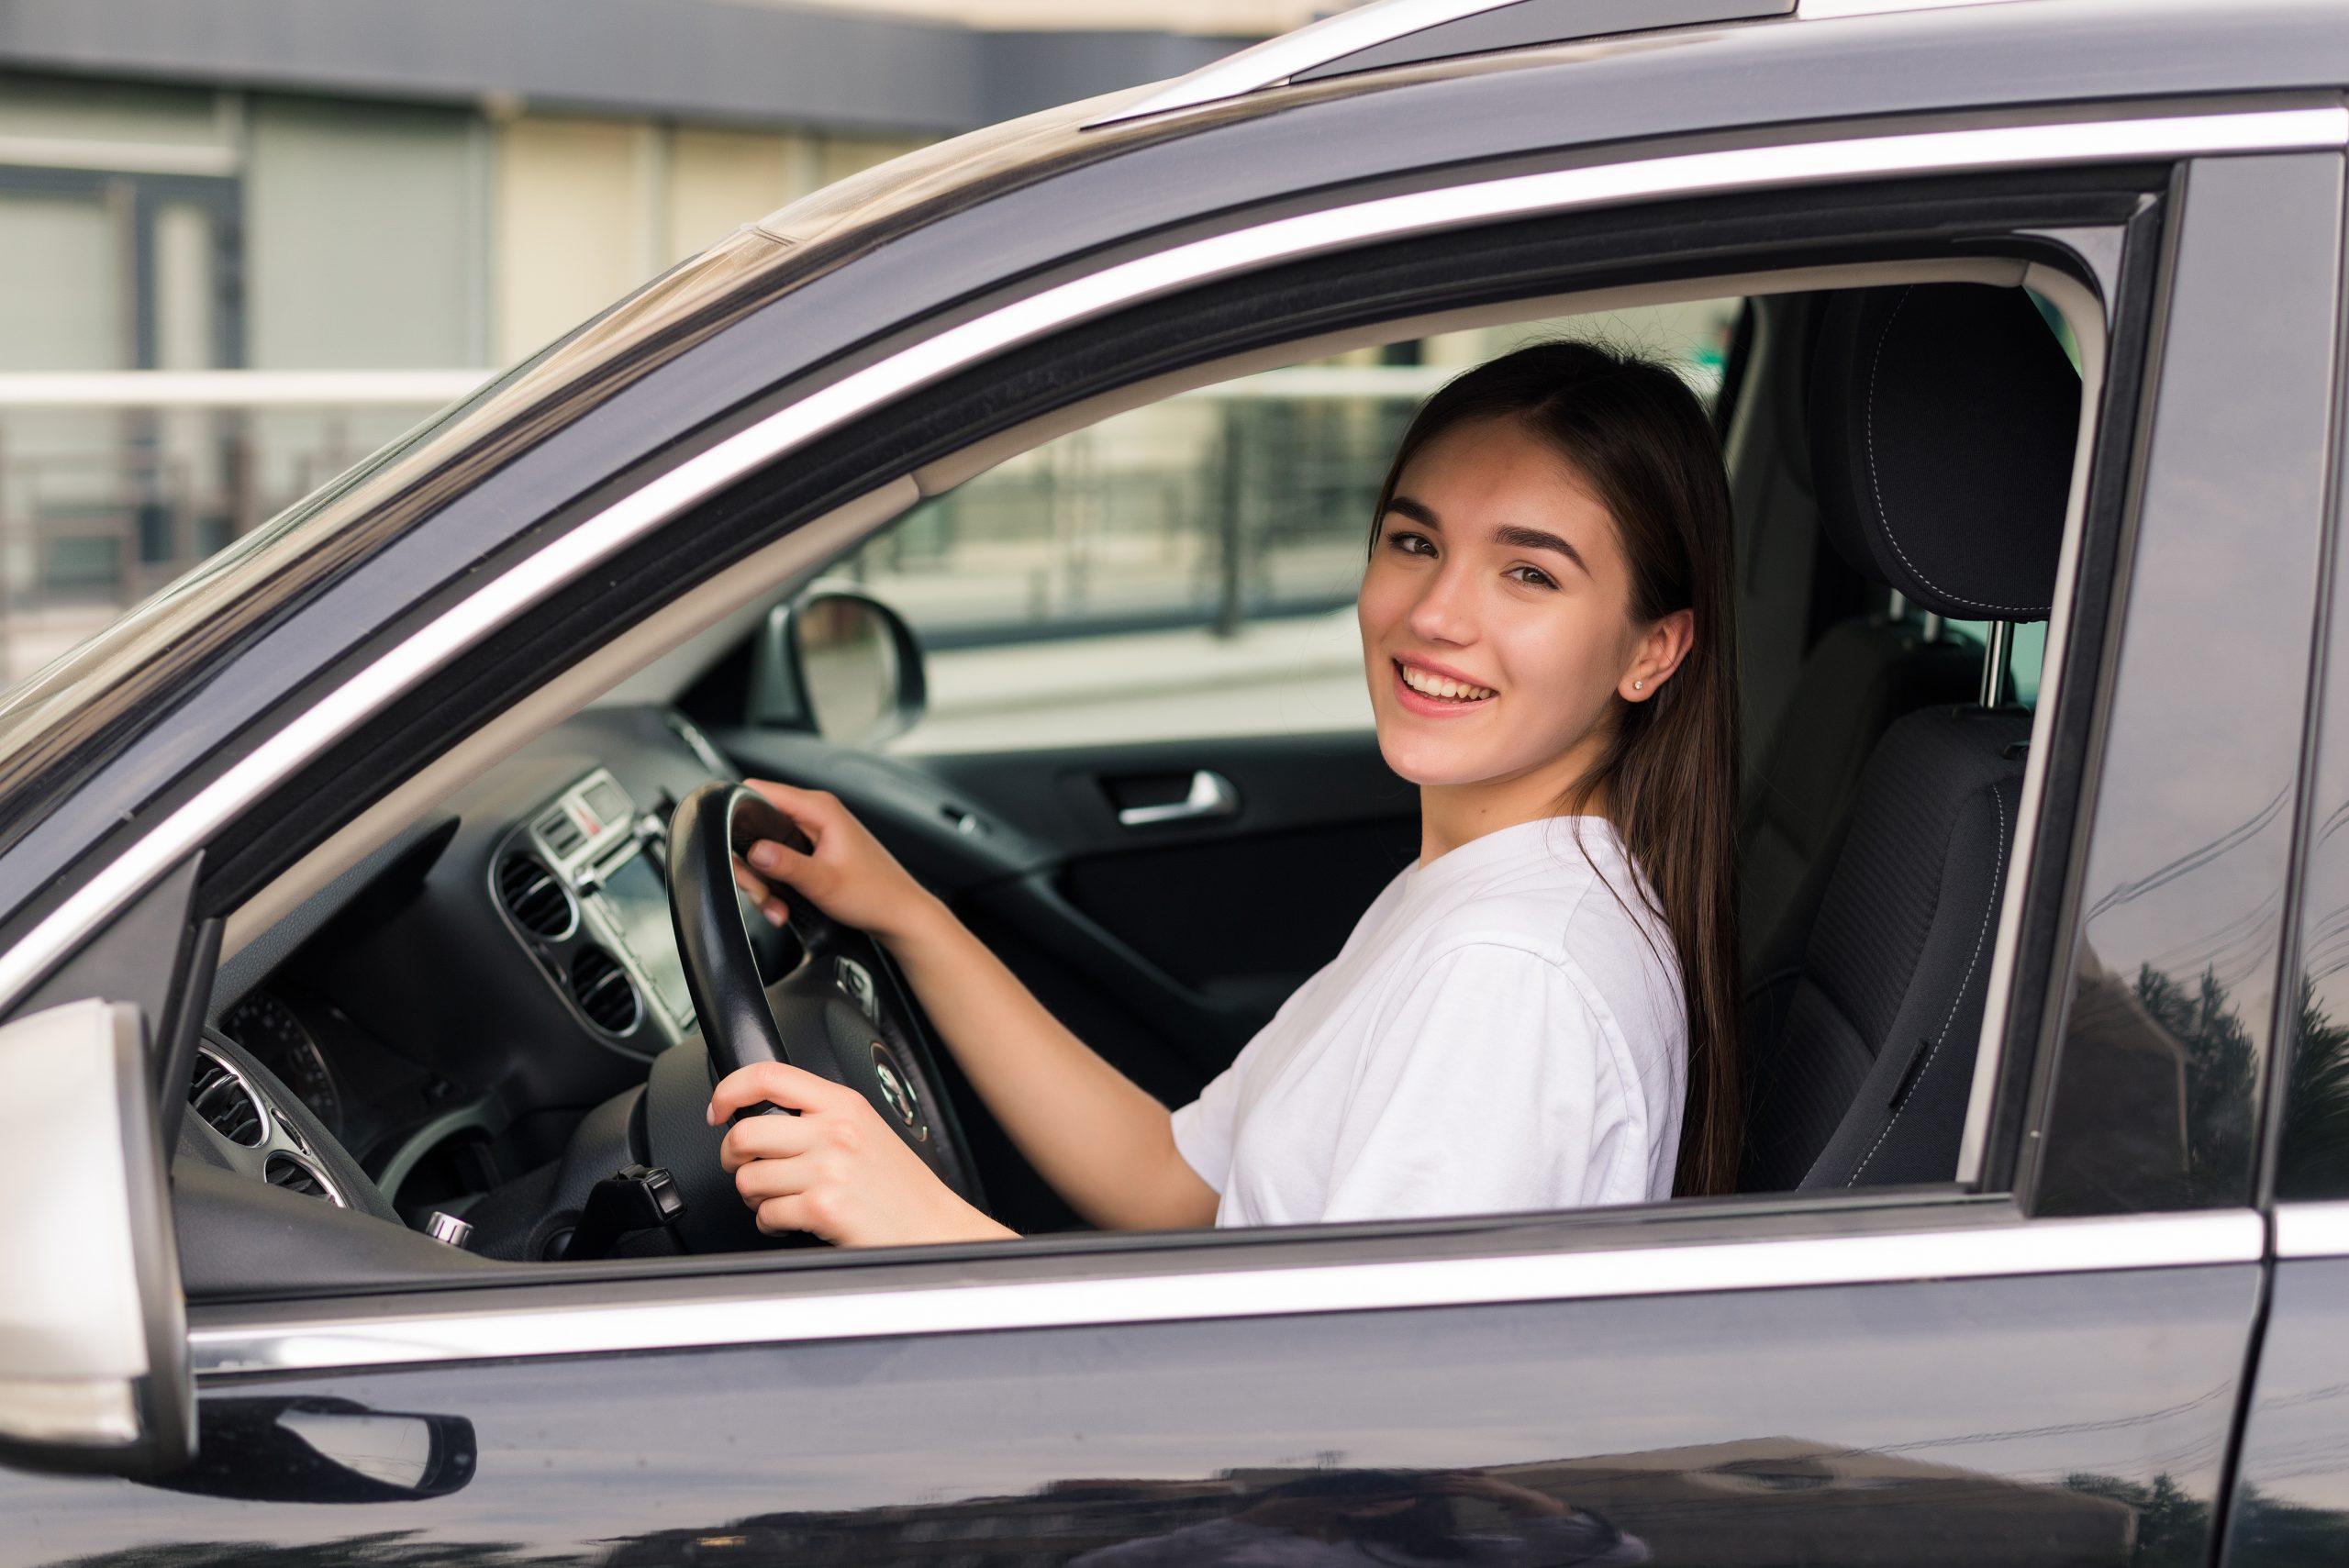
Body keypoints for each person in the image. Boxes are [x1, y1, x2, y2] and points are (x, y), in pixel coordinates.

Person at [707, 339, 1742, 1245]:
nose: (1434, 613)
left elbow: (1352, 1439)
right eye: (1414, 541)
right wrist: (907, 913)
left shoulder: (1510, 974)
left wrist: (922, 1228)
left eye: (1528, 575)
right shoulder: (1478, 891)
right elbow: (1178, 1184)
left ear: (1651, 651)